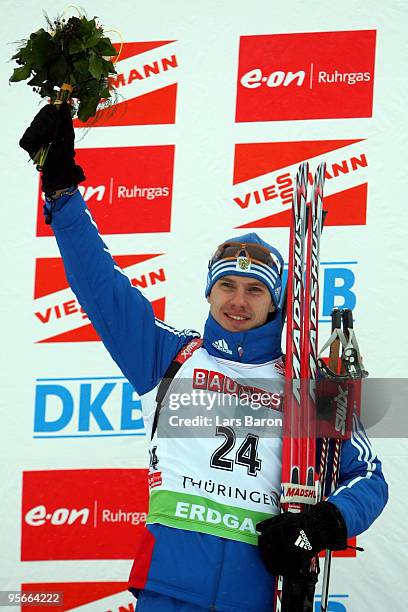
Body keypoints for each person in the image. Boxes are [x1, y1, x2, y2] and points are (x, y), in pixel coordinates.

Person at [20, 104, 388, 612]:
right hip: (167, 586)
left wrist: (318, 526)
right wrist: (61, 190)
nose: (238, 301)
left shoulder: (304, 382)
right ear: (209, 293)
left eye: (255, 290)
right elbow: (99, 284)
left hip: (253, 592)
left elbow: (369, 478)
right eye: (227, 286)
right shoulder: (168, 356)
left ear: (277, 302)